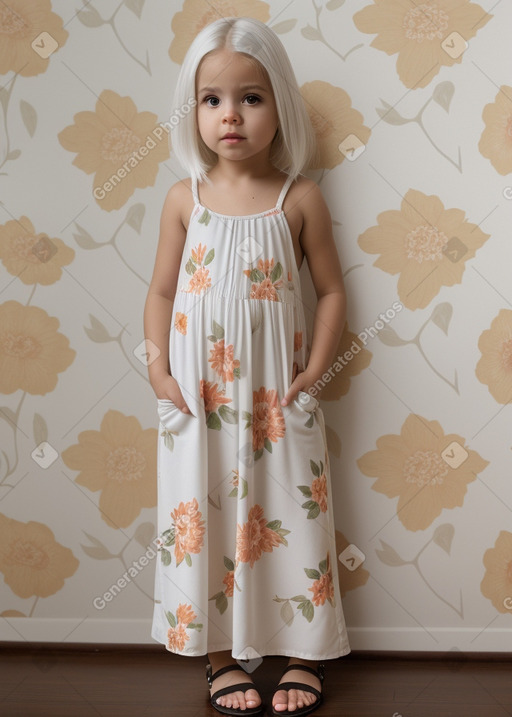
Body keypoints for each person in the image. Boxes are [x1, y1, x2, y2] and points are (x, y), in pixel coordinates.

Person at [143, 16, 350, 717]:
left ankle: (303, 653)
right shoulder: (184, 200)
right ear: (194, 109)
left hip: (276, 396)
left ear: (279, 104)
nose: (230, 115)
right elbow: (163, 291)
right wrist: (158, 370)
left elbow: (330, 291)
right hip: (196, 397)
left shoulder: (299, 198)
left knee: (292, 512)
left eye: (251, 97)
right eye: (212, 99)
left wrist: (313, 373)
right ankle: (218, 658)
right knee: (202, 514)